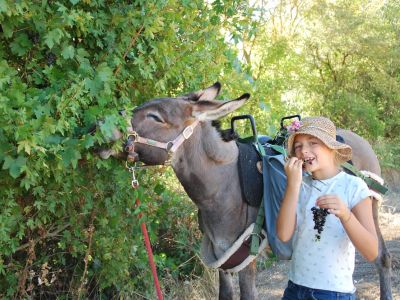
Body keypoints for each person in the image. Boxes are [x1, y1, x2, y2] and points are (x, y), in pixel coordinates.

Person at [276, 116, 378, 300]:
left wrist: (346, 216)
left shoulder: (353, 187)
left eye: (312, 142)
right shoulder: (298, 185)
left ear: (331, 147)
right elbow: (283, 235)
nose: (303, 150)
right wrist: (292, 185)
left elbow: (371, 252)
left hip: (333, 293)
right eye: (298, 146)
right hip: (295, 288)